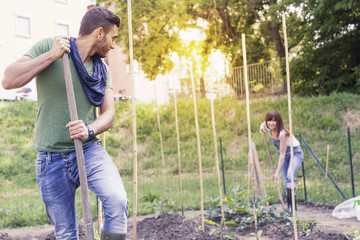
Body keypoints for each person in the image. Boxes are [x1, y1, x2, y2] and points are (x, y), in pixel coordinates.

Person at [2, 7, 128, 240]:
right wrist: (51, 56)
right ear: (99, 33)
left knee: (117, 201)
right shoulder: (48, 47)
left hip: (89, 149)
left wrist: (89, 129)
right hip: (51, 158)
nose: (113, 45)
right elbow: (8, 80)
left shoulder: (103, 70)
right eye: (113, 37)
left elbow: (108, 114)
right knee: (66, 232)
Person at [259, 110, 304, 212]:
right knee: (286, 181)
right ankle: (289, 207)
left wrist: (276, 172)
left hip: (295, 153)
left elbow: (282, 155)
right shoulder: (269, 127)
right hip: (284, 154)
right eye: (269, 120)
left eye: (274, 121)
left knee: (289, 175)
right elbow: (264, 124)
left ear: (278, 122)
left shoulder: (282, 134)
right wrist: (261, 126)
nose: (271, 123)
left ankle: (292, 208)